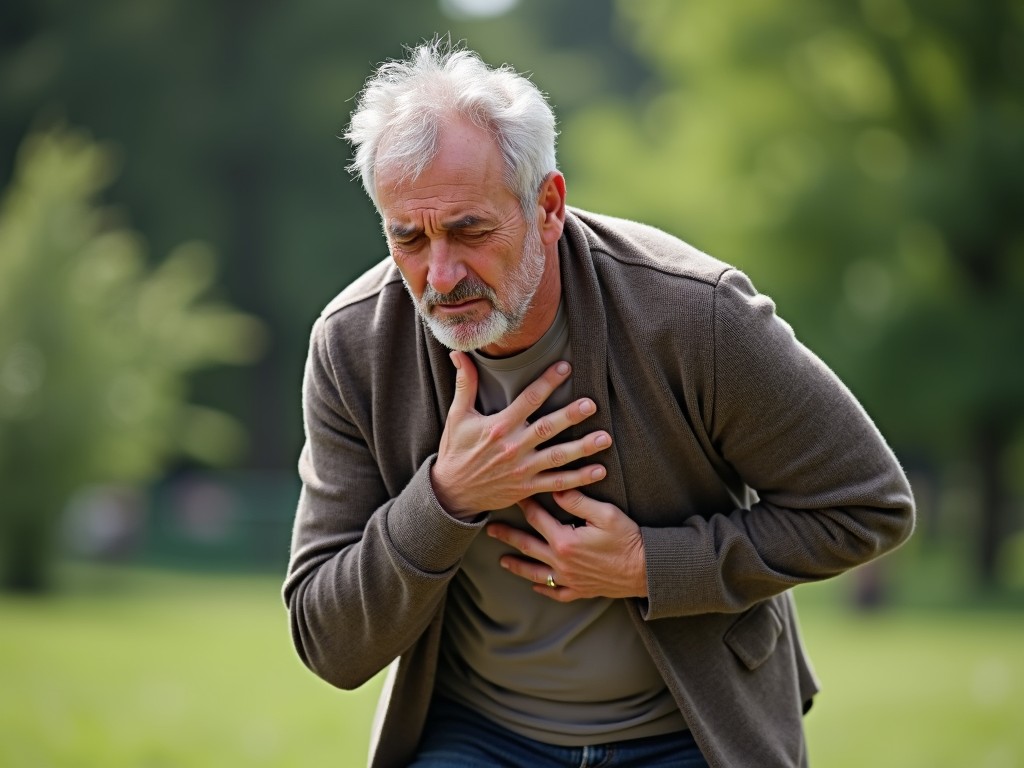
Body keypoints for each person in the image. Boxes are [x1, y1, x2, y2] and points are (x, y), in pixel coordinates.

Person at [283, 41, 915, 768]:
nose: (441, 272)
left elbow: (870, 505)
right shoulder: (351, 343)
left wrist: (653, 564)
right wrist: (448, 497)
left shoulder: (697, 315)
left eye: (469, 230)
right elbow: (327, 640)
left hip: (690, 732)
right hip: (476, 736)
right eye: (408, 237)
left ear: (547, 206)